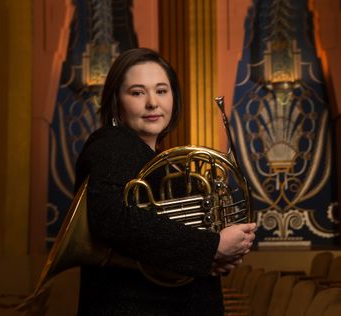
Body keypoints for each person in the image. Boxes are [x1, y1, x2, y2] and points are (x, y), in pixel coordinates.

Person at [74, 47, 256, 315]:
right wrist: (212, 246)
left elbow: (167, 239)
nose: (152, 103)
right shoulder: (110, 144)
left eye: (161, 90)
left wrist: (214, 258)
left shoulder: (155, 157)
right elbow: (113, 218)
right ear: (116, 101)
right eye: (137, 92)